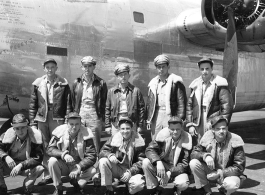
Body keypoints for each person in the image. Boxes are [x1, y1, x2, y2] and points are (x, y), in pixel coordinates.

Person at [29, 58, 72, 185]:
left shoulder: (63, 83)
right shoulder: (37, 83)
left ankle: (59, 171)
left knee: (57, 144)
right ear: (44, 69)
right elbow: (33, 104)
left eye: (53, 67)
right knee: (44, 144)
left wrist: (67, 119)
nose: (50, 69)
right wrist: (32, 121)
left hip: (57, 116)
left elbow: (68, 103)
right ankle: (47, 174)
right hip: (42, 117)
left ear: (56, 68)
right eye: (47, 67)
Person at [189, 115, 246, 195]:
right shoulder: (207, 137)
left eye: (224, 128)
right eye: (218, 129)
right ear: (212, 130)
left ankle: (224, 191)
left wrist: (220, 173)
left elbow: (239, 167)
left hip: (227, 174)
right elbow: (194, 154)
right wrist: (206, 156)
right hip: (211, 171)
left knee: (231, 185)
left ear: (227, 128)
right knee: (194, 163)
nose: (221, 131)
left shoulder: (235, 140)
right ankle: (206, 190)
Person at [47, 112, 97, 195]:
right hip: (63, 165)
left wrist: (79, 166)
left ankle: (77, 184)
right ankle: (58, 187)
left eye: (77, 124)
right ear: (67, 123)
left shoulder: (87, 133)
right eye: (71, 124)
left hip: (78, 165)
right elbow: (50, 149)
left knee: (92, 170)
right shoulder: (59, 131)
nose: (74, 127)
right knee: (52, 161)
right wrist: (63, 154)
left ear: (80, 123)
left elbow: (91, 156)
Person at [186, 57, 233, 145]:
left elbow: (227, 106)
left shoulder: (220, 83)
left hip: (213, 119)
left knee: (213, 143)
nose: (205, 71)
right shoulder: (195, 85)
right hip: (198, 119)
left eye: (207, 68)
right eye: (202, 69)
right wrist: (190, 124)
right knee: (199, 143)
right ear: (199, 70)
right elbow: (189, 106)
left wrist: (220, 123)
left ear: (212, 69)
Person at [142, 116, 192, 195]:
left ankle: (177, 189)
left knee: (183, 183)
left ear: (181, 128)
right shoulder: (162, 136)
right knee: (146, 162)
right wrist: (158, 161)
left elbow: (184, 165)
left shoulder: (187, 140)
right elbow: (149, 150)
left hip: (177, 170)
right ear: (168, 128)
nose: (175, 132)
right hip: (163, 166)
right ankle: (154, 189)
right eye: (172, 129)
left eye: (178, 129)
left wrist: (170, 172)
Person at [99, 117, 146, 195]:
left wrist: (130, 172)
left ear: (132, 128)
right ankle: (109, 189)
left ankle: (130, 190)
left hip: (131, 170)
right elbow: (102, 152)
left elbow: (141, 161)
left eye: (127, 128)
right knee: (103, 161)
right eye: (122, 128)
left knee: (139, 184)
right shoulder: (114, 137)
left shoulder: (138, 140)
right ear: (119, 129)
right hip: (117, 168)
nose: (125, 131)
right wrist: (110, 155)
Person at [0, 114, 44, 195]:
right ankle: (1, 186)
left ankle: (27, 186)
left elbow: (38, 158)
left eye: (23, 127)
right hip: (10, 165)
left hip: (25, 166)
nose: (20, 131)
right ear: (13, 128)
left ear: (27, 126)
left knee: (40, 168)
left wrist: (21, 165)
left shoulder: (35, 136)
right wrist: (6, 157)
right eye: (17, 128)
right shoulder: (6, 135)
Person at [72, 56, 108, 153]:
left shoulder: (101, 83)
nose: (87, 69)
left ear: (94, 67)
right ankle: (81, 162)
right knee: (80, 139)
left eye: (89, 66)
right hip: (81, 112)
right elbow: (72, 100)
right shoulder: (77, 82)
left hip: (94, 113)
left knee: (95, 140)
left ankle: (95, 162)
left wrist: (103, 119)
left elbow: (105, 102)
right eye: (85, 66)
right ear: (82, 67)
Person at [146, 54, 187, 140]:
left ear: (168, 67)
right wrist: (149, 119)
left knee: (170, 138)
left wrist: (180, 118)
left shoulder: (176, 81)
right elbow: (149, 104)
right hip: (156, 115)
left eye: (163, 66)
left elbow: (181, 102)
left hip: (170, 114)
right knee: (155, 138)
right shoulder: (153, 83)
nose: (161, 69)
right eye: (159, 67)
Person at [105, 63, 145, 136]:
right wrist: (107, 125)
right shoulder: (111, 91)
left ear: (129, 75)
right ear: (117, 77)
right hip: (116, 122)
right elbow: (107, 109)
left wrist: (140, 125)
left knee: (131, 144)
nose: (123, 77)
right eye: (120, 75)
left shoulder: (136, 91)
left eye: (125, 74)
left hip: (132, 121)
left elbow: (141, 109)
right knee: (116, 144)